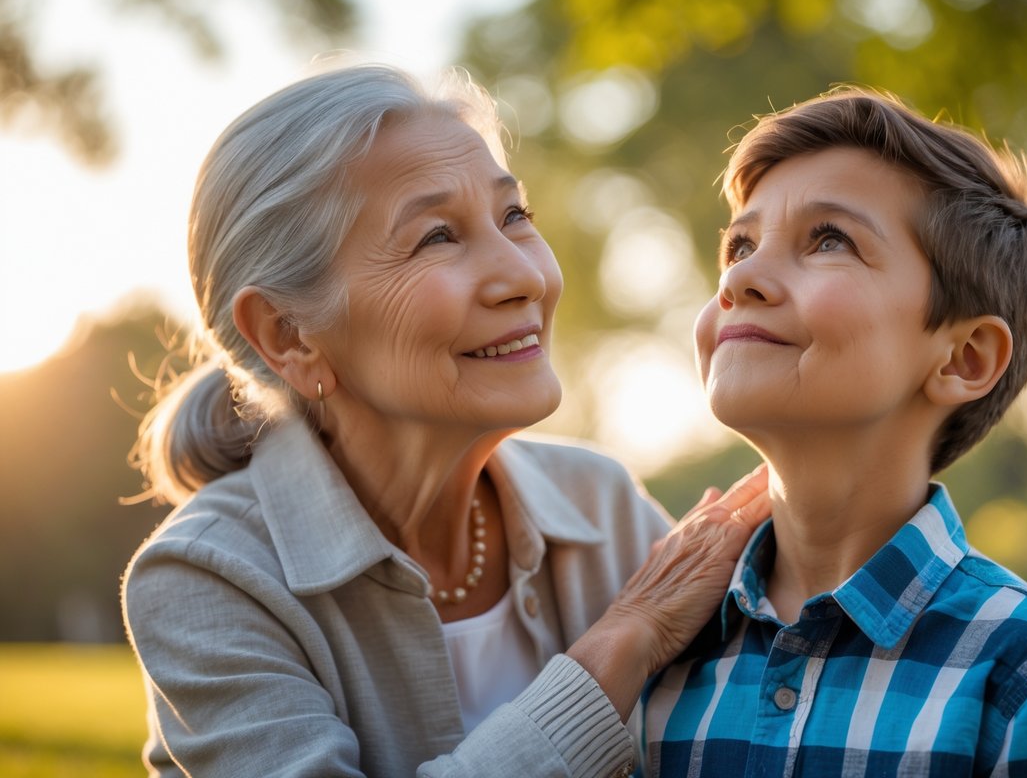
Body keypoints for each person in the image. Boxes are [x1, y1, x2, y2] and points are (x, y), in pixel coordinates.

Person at [121, 62, 770, 778]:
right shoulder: (207, 577)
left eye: (514, 217)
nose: (524, 276)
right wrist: (622, 641)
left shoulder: (602, 503)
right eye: (437, 238)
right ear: (288, 335)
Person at [640, 89, 1027, 776]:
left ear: (963, 359)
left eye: (827, 240)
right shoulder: (656, 643)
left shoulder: (1025, 670)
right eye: (739, 245)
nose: (741, 277)